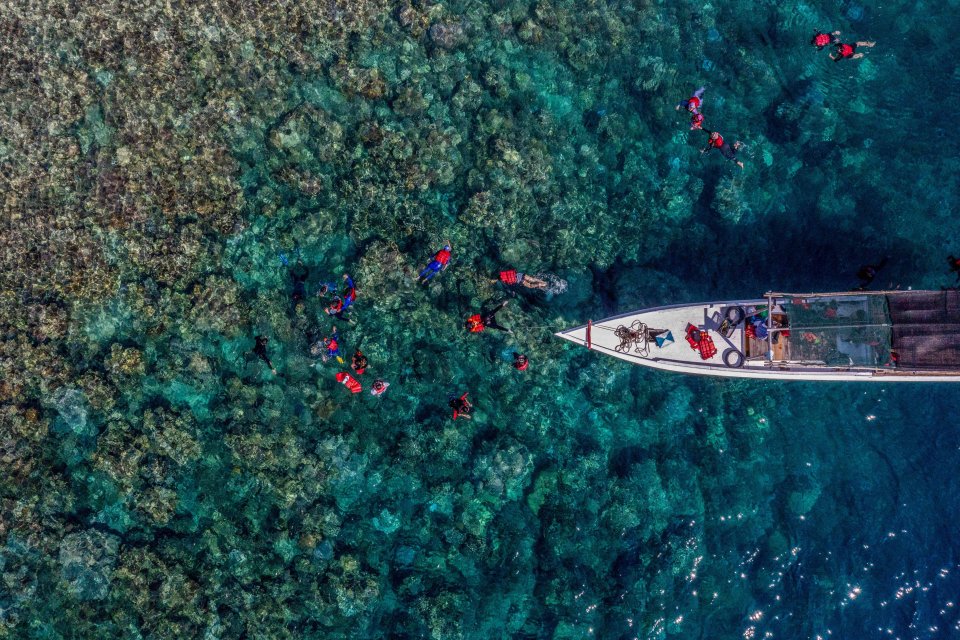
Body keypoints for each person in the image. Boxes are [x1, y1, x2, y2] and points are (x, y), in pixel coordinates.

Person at [497, 270, 568, 296]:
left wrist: (512, 291)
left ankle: (540, 284)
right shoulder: (505, 274)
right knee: (533, 279)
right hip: (521, 275)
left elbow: (509, 286)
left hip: (519, 281)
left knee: (530, 285)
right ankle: (544, 283)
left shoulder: (503, 280)